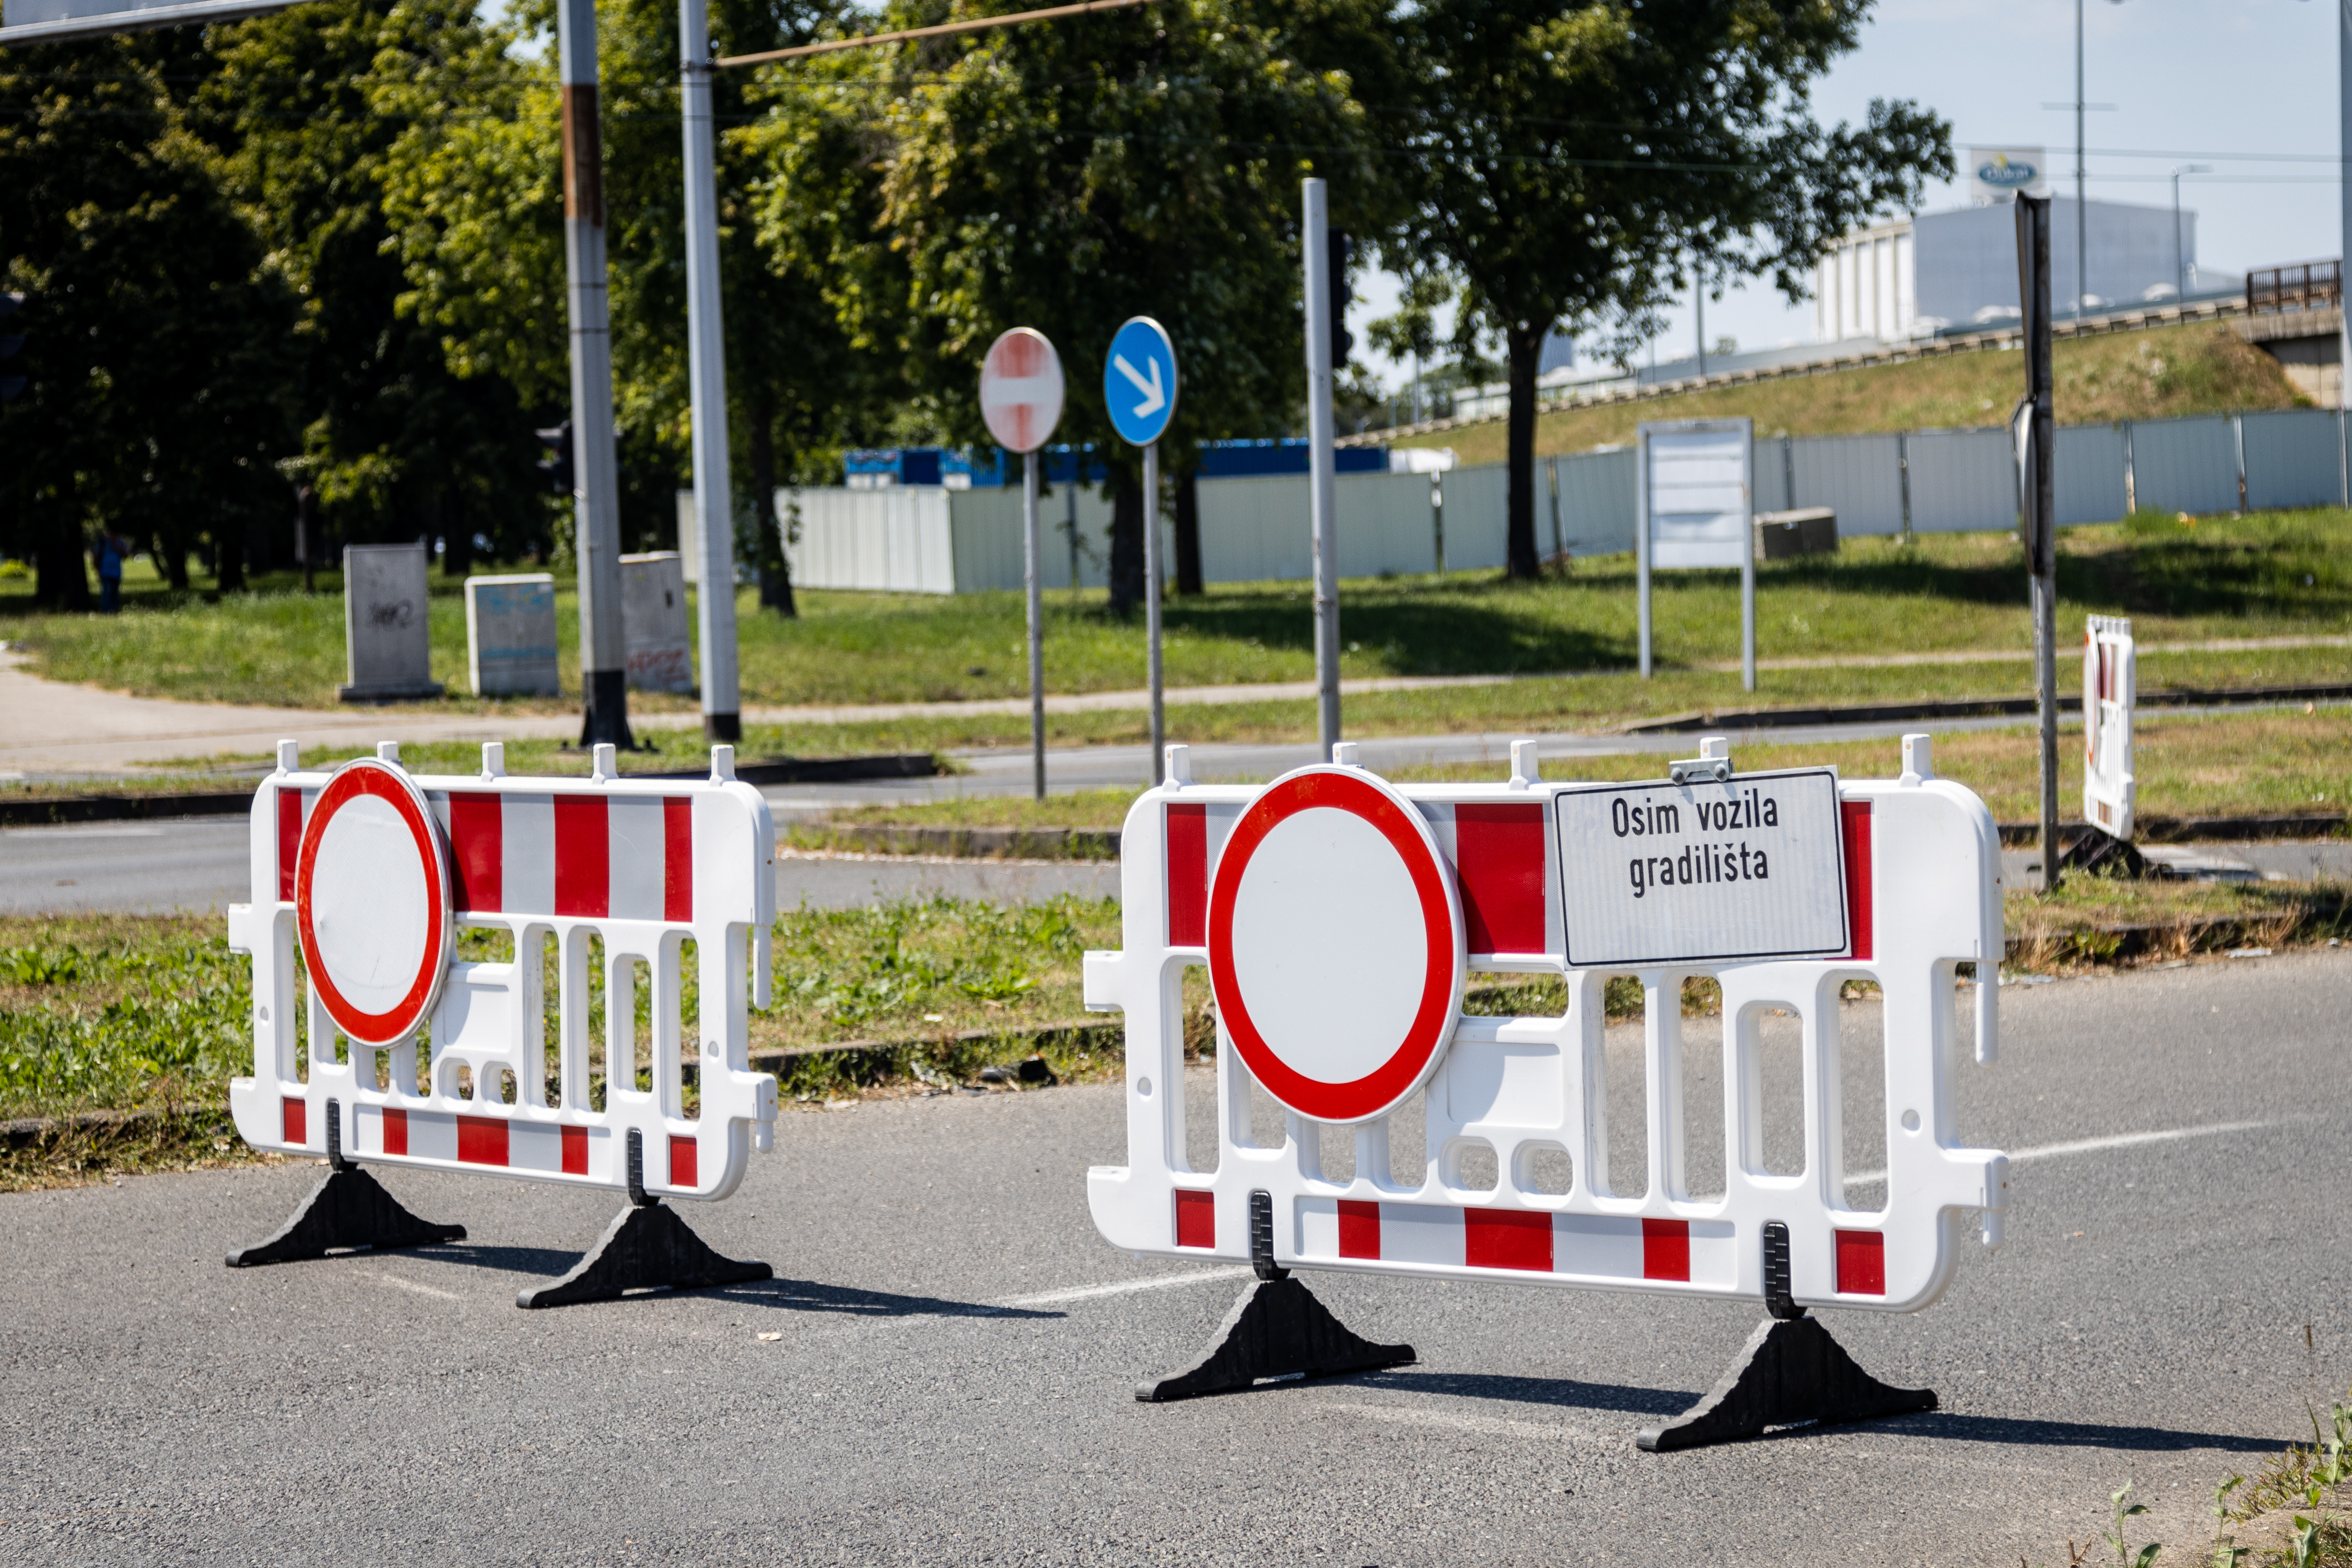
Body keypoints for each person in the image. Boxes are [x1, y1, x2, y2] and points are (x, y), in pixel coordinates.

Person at [93, 529, 126, 614]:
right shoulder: (102, 543)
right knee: (106, 593)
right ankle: (105, 610)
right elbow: (96, 556)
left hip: (116, 572)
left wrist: (117, 547)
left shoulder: (120, 542)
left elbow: (125, 555)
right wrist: (98, 570)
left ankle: (115, 610)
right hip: (105, 572)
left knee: (115, 593)